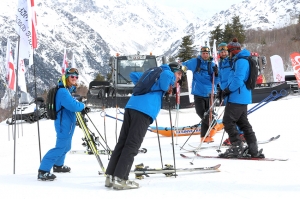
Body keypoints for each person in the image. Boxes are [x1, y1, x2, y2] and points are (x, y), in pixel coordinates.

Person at [105, 63, 183, 190]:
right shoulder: (166, 73)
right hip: (143, 111)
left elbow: (134, 75)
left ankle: (110, 177)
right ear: (174, 71)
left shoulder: (154, 74)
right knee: (132, 144)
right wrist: (171, 82)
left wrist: (150, 79)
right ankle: (120, 179)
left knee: (123, 142)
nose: (179, 78)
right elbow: (165, 81)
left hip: (131, 107)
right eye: (179, 74)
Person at [219, 38, 264, 158]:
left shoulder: (241, 61)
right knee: (243, 123)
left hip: (237, 96)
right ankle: (253, 149)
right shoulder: (242, 59)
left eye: (228, 51)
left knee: (228, 121)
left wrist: (227, 90)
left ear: (232, 51)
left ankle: (237, 147)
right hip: (242, 96)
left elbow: (238, 79)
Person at [38, 68, 85, 181]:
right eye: (72, 76)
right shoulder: (63, 91)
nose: (74, 79)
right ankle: (43, 171)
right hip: (63, 123)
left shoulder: (66, 90)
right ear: (66, 77)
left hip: (67, 123)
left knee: (66, 146)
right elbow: (73, 106)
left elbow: (72, 103)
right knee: (61, 147)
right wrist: (83, 106)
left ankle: (58, 166)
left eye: (76, 77)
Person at [181, 46, 219, 143]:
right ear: (201, 54)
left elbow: (215, 81)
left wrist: (217, 74)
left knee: (208, 114)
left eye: (207, 53)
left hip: (210, 93)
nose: (205, 55)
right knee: (201, 112)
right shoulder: (195, 62)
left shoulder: (212, 64)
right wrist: (182, 70)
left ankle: (205, 137)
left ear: (209, 54)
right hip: (198, 92)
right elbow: (183, 65)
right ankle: (213, 124)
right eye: (203, 53)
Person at [216, 42, 246, 146]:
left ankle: (238, 135)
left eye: (225, 51)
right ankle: (239, 134)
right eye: (221, 52)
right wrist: (219, 88)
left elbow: (235, 75)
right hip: (225, 90)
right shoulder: (220, 63)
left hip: (232, 90)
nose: (223, 53)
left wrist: (229, 88)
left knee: (232, 116)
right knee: (233, 116)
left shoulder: (231, 60)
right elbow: (220, 77)